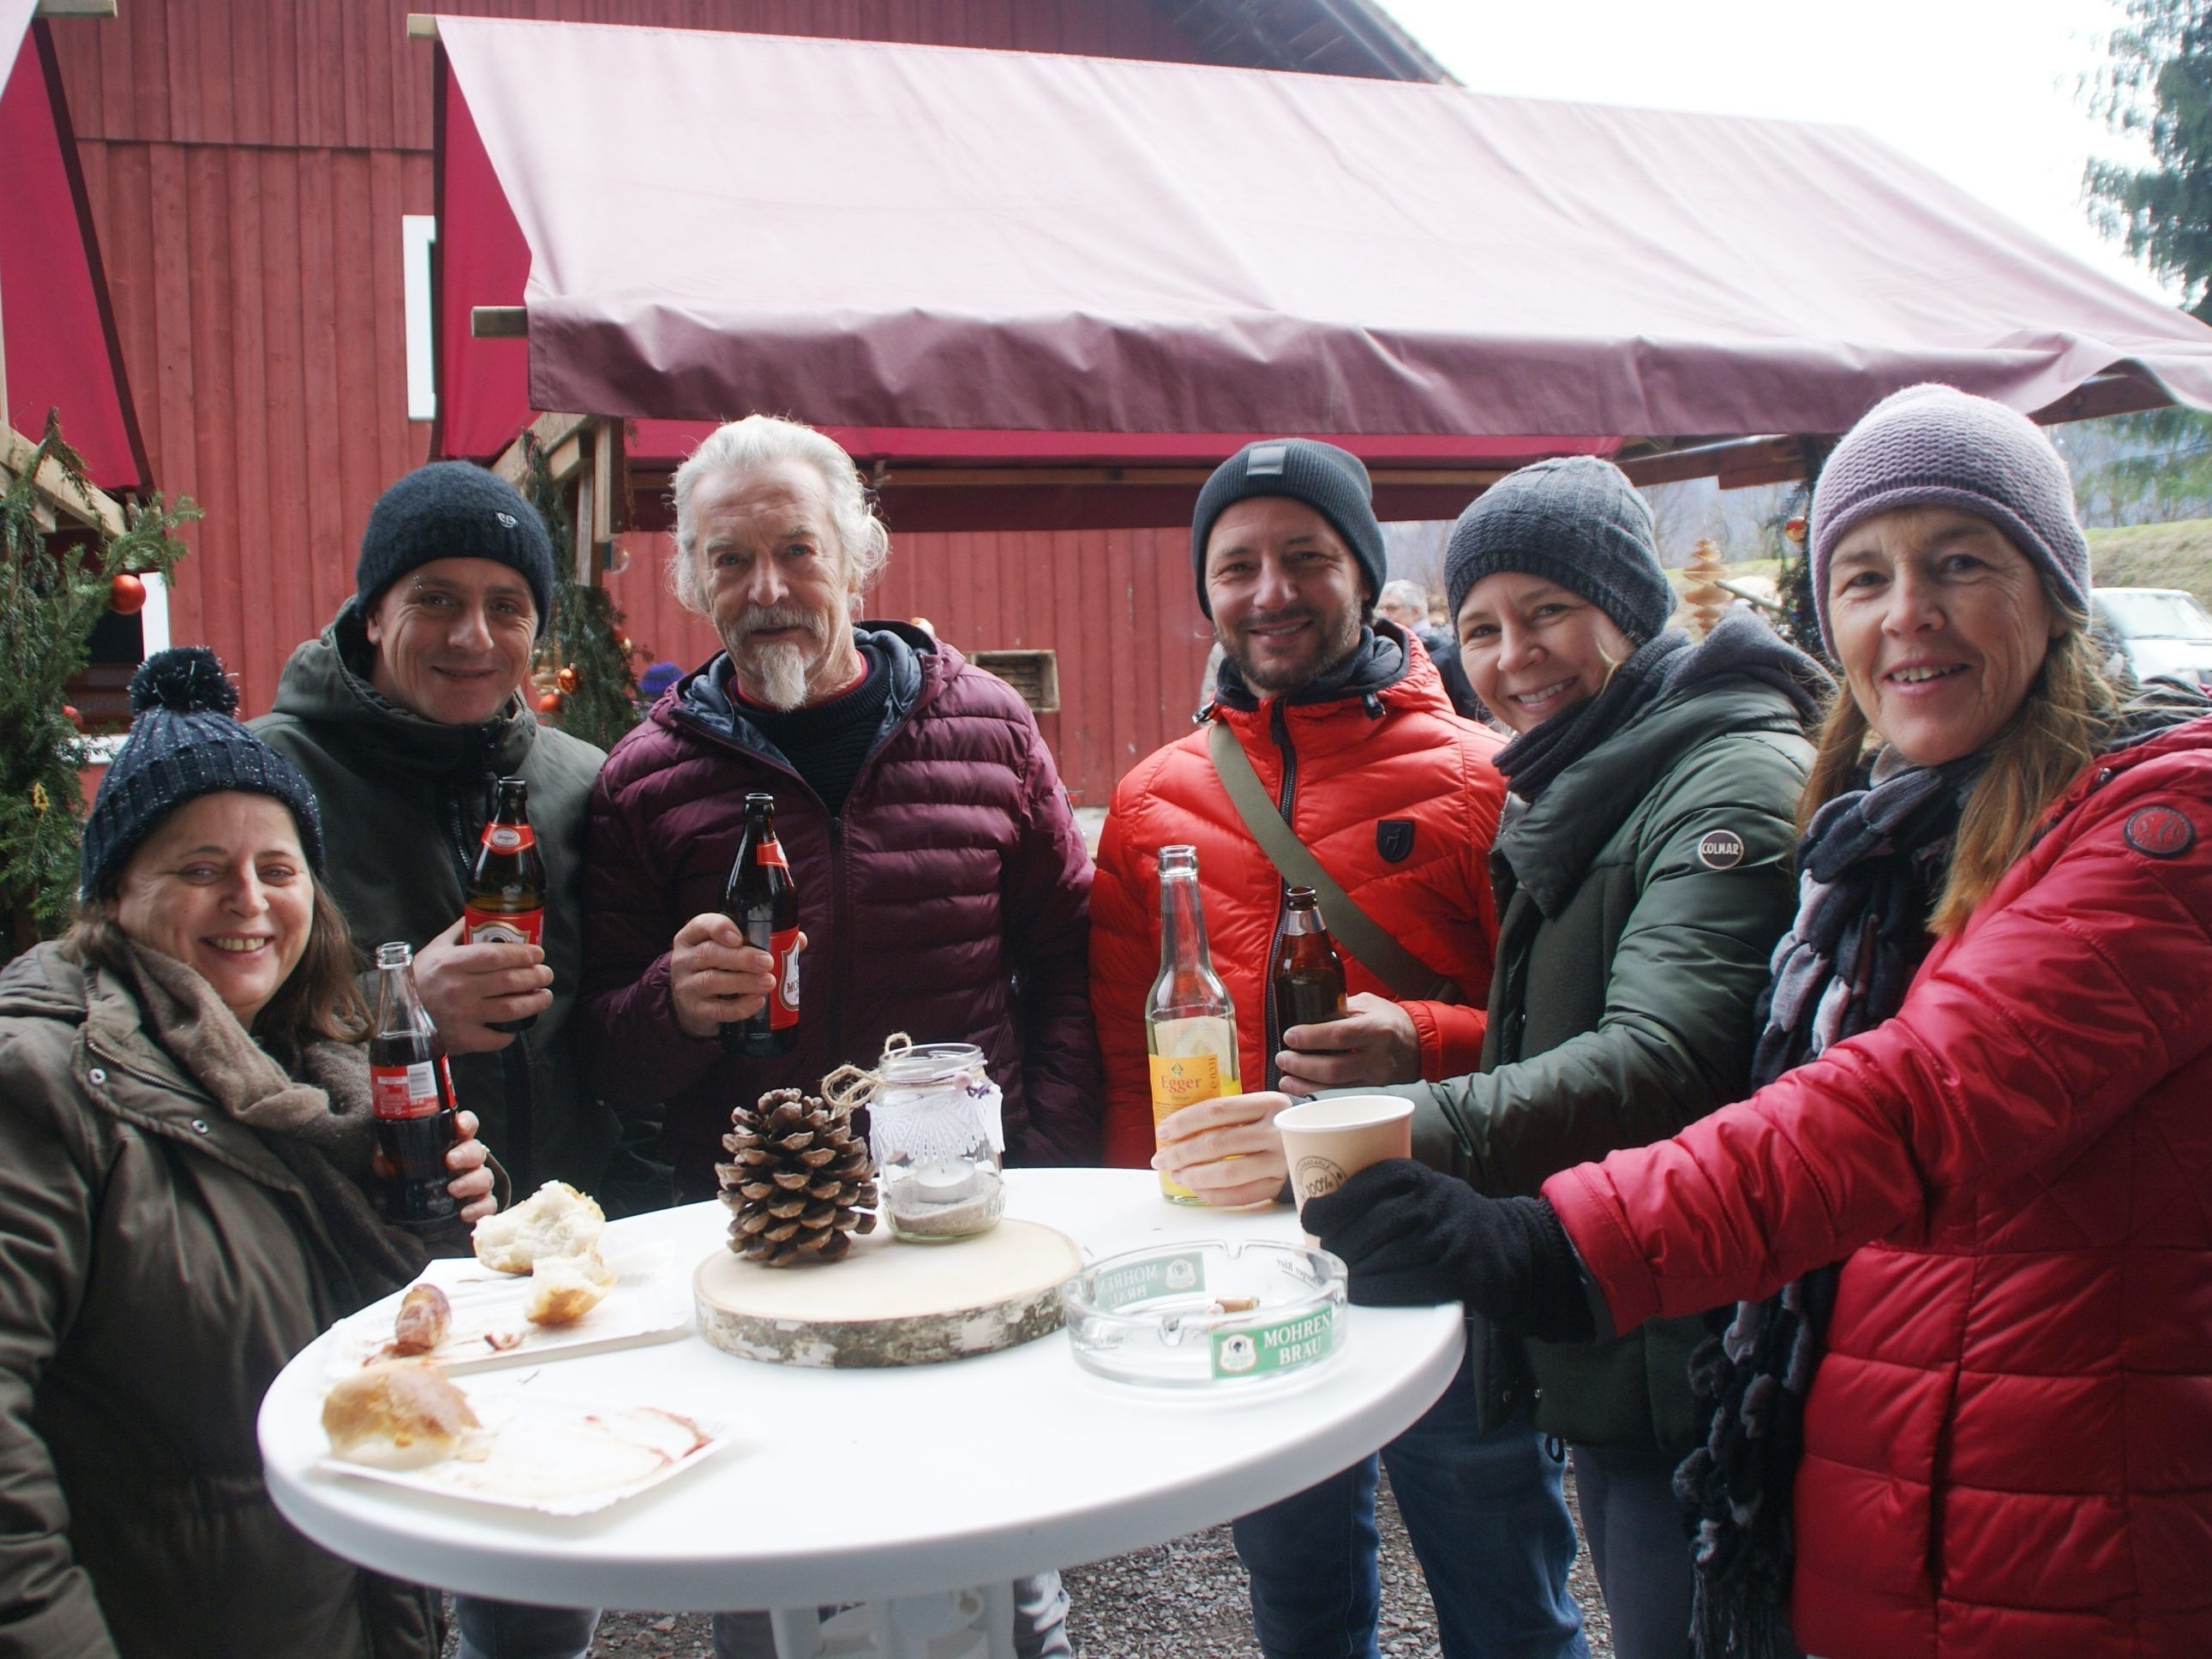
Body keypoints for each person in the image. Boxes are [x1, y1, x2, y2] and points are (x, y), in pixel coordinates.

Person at [1304, 385, 2212, 1659]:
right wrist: (1434, 1047)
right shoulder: (1894, 826)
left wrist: (1548, 1241)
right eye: (1863, 575)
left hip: (2065, 1500)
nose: (1907, 611)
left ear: (2054, 589)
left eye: (1959, 562)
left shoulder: (2164, 827)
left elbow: (1899, 1103)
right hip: (1910, 1450)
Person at [1157, 456, 1828, 1659]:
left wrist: (1391, 1085)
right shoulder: (1577, 771)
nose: (1514, 655)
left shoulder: (1606, 775)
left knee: (1532, 1595)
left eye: (1548, 612)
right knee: (1302, 1594)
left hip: (1615, 1281)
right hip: (1483, 1270)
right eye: (1483, 627)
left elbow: (1651, 1050)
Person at [577, 412, 1097, 1659]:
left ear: (858, 556)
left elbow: (1068, 955)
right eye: (730, 560)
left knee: (995, 1549)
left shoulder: (982, 727)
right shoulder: (644, 781)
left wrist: (1055, 1151)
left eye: (796, 552)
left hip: (963, 1213)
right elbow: (596, 1047)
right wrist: (668, 1006)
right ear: (692, 577)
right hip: (764, 1241)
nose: (768, 591)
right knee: (780, 1554)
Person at [1089, 439, 1581, 1659]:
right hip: (1250, 1260)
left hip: (1446, 1246)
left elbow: (1558, 1040)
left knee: (1506, 1601)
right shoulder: (1152, 800)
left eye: (1305, 557)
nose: (1270, 591)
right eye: (1237, 563)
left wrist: (1416, 1041)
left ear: (1362, 574)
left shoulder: (1486, 779)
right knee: (1298, 1604)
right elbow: (1121, 1058)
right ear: (1205, 589)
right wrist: (1146, 1235)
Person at [0, 648, 496, 1659]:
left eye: (277, 868)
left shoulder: (331, 1061)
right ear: (113, 896)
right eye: (198, 869)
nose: (250, 900)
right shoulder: (47, 1079)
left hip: (348, 1604)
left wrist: (445, 1231)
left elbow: (368, 1350)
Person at [254, 460, 618, 1659]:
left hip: (539, 1262)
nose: (474, 634)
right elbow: (192, 1012)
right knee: (365, 1585)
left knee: (535, 1585)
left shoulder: (575, 783)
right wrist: (396, 1005)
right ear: (372, 613)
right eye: (435, 599)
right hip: (347, 1246)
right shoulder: (273, 781)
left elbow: (614, 1010)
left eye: (507, 605)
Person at [1378, 574, 1484, 720]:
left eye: (1391, 608)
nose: (1384, 615)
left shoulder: (1439, 650)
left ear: (1415, 612)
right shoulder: (1393, 649)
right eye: (1381, 609)